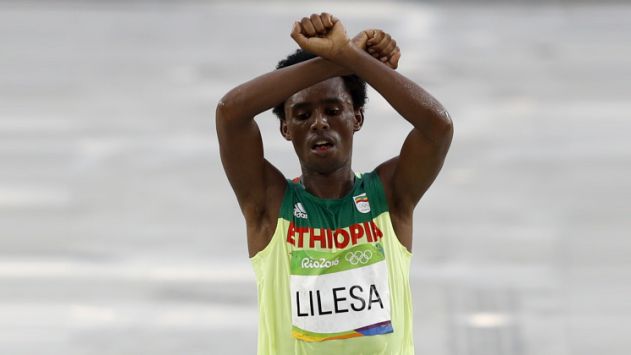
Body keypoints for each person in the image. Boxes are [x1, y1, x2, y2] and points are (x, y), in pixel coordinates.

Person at [216, 12, 453, 355]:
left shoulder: (390, 195)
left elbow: (438, 127)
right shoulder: (269, 204)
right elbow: (229, 113)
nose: (319, 124)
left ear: (356, 117)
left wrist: (352, 59)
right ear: (286, 129)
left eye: (332, 109)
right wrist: (337, 59)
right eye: (301, 115)